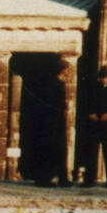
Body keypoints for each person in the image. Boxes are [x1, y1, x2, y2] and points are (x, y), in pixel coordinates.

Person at [83, 65, 107, 188]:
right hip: (94, 126)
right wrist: (91, 114)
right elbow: (86, 103)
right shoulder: (92, 88)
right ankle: (89, 179)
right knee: (91, 154)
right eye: (101, 78)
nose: (103, 80)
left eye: (105, 78)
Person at [34, 59, 72, 188]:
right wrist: (64, 107)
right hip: (53, 123)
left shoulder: (53, 83)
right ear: (61, 70)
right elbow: (54, 103)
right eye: (66, 70)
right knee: (56, 151)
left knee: (55, 151)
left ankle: (57, 178)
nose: (68, 72)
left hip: (52, 122)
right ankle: (51, 179)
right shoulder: (55, 84)